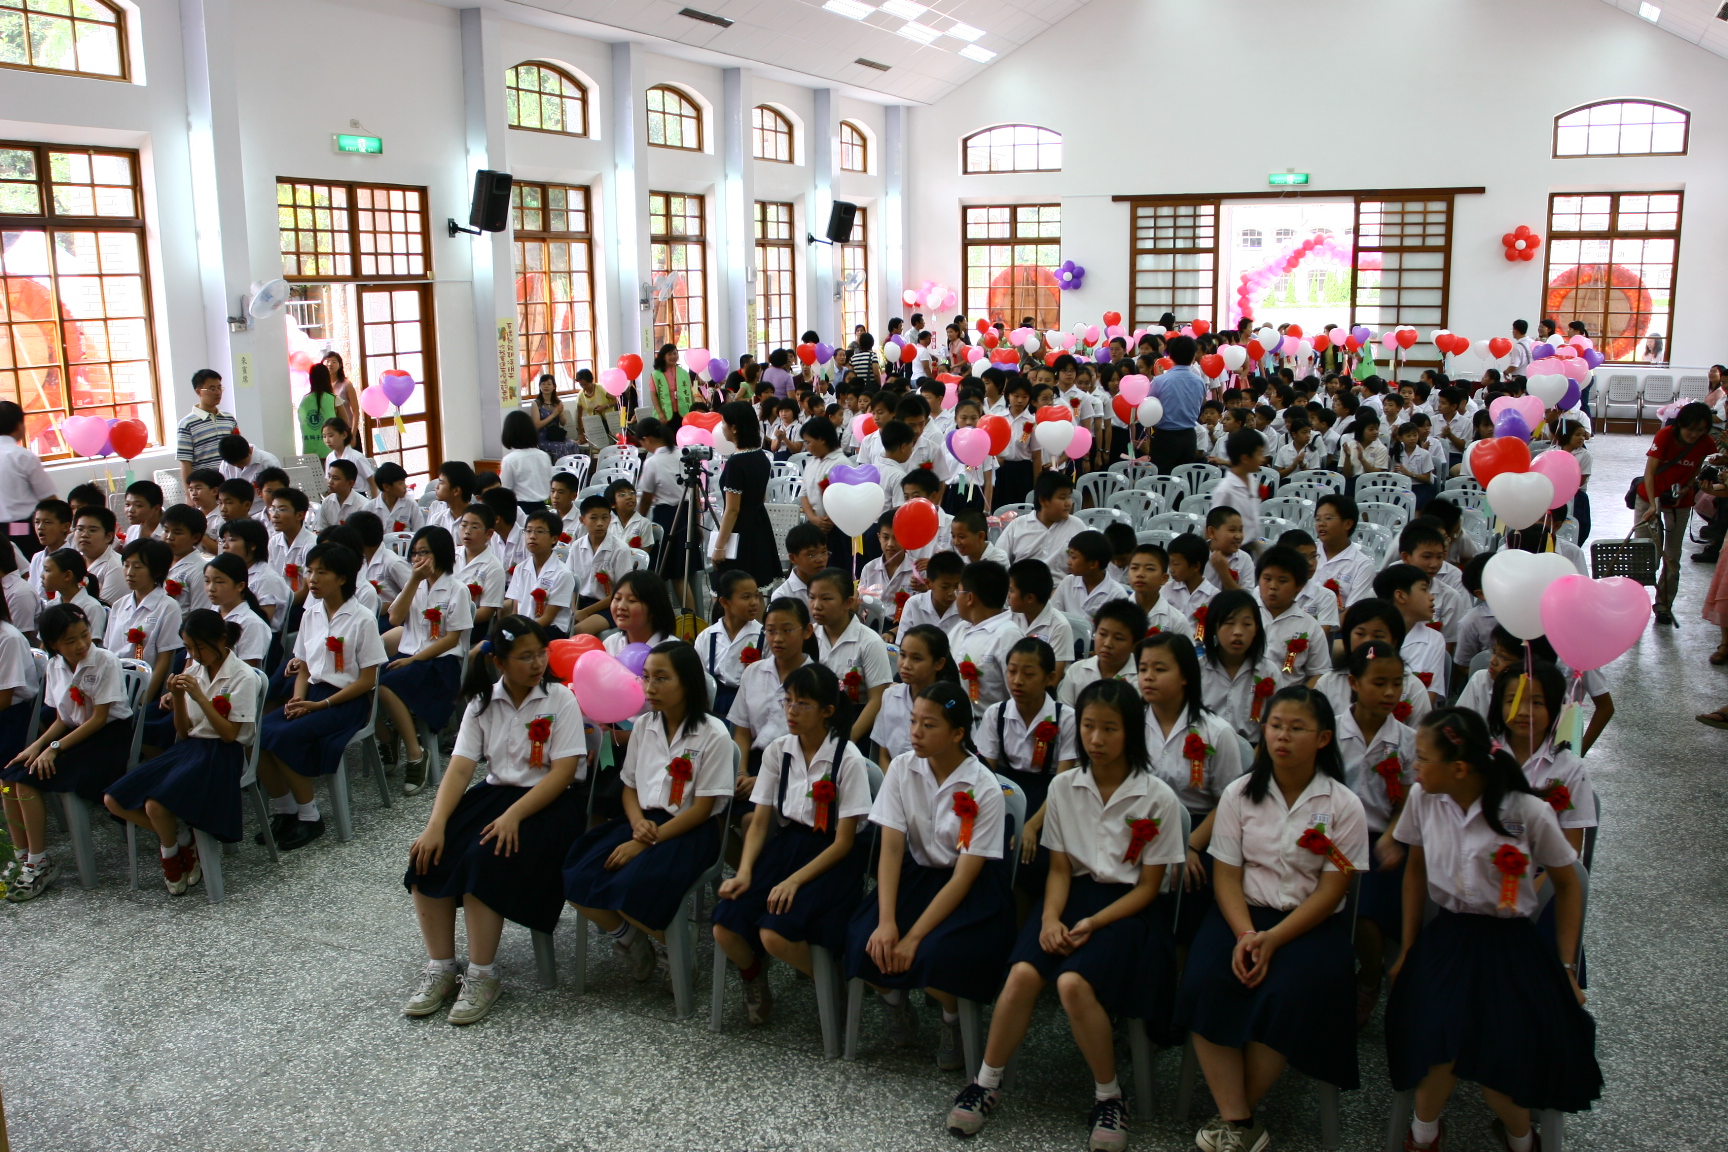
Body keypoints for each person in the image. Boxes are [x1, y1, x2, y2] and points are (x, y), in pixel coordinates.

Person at [946, 680, 1183, 1152]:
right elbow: (1058, 869)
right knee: (1022, 974)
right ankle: (986, 1082)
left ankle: (1109, 1097)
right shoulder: (1063, 786)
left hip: (1128, 910)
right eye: (1089, 726)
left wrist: (1094, 923)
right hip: (1070, 896)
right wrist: (1050, 918)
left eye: (1110, 728)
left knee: (1073, 983)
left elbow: (1149, 888)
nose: (1096, 738)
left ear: (1131, 733)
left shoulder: (1157, 797)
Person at [1385, 708, 1602, 1152]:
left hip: (1510, 944)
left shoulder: (1527, 811)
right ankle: (1424, 1134)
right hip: (1448, 939)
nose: (1414, 768)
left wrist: (1566, 967)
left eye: (1423, 758)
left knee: (1502, 1048)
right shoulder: (1423, 799)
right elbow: (1415, 874)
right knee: (1439, 1040)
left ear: (1459, 768)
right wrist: (1407, 948)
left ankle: (1521, 1139)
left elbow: (1568, 884)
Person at [1173, 686, 1368, 1152]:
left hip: (1309, 922)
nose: (1282, 736)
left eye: (1297, 728)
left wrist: (1273, 939)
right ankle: (1239, 1119)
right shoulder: (1239, 794)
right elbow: (1226, 875)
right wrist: (1246, 933)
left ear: (1323, 738)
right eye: (1276, 726)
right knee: (1205, 980)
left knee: (1289, 994)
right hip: (1240, 913)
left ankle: (1234, 1118)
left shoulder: (1344, 805)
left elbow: (1332, 889)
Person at [403, 615, 586, 1025]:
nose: (538, 663)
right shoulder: (482, 702)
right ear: (499, 662)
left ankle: (483, 974)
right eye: (525, 656)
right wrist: (435, 825)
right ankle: (441, 968)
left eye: (541, 653)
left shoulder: (560, 699)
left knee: (483, 858)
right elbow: (460, 768)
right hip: (497, 795)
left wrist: (513, 816)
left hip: (551, 803)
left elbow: (562, 773)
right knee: (428, 855)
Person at [845, 683, 1014, 1071]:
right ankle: (895, 1004)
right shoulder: (902, 768)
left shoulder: (984, 786)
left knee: (938, 954)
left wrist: (913, 937)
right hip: (918, 874)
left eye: (929, 725)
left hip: (970, 888)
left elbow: (965, 877)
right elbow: (891, 849)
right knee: (863, 939)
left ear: (957, 733)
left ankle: (952, 1021)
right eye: (913, 722)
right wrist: (887, 922)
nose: (915, 733)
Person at [563, 641, 734, 987]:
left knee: (632, 882)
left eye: (661, 678)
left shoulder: (713, 733)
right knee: (577, 872)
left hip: (690, 829)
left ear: (687, 682)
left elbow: (702, 809)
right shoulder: (644, 726)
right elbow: (629, 787)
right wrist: (637, 823)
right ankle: (631, 937)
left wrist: (645, 842)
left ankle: (675, 939)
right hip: (643, 821)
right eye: (645, 677)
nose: (650, 687)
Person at [712, 663, 873, 1025]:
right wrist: (745, 871)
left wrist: (794, 881)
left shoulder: (847, 758)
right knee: (725, 923)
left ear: (827, 711)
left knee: (775, 933)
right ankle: (754, 975)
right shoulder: (778, 751)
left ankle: (828, 984)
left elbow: (845, 841)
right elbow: (760, 821)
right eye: (787, 701)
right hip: (787, 848)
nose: (791, 711)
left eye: (803, 704)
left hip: (832, 858)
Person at [103, 610, 256, 895]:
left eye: (200, 647)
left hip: (222, 753)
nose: (194, 655)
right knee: (113, 799)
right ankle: (181, 838)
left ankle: (170, 853)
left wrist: (198, 696)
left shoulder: (243, 676)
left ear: (222, 640)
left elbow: (229, 735)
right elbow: (183, 732)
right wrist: (177, 697)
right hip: (189, 747)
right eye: (188, 648)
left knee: (155, 805)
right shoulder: (194, 671)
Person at [255, 543, 387, 850]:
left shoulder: (362, 618)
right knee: (256, 733)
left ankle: (310, 816)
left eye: (321, 572)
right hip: (313, 692)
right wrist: (297, 699)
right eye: (309, 571)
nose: (312, 579)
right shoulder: (311, 613)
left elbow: (368, 680)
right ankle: (285, 809)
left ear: (342, 578)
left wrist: (320, 704)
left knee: (283, 737)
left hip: (346, 700)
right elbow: (303, 666)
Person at [1, 603, 132, 900]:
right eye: (70, 641)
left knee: (28, 780)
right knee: (9, 775)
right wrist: (36, 746)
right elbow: (62, 718)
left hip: (107, 739)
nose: (81, 645)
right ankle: (21, 856)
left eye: (84, 635)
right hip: (74, 735)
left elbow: (99, 719)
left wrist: (54, 748)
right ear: (53, 645)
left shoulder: (105, 660)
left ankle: (39, 862)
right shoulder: (55, 665)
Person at [1332, 640, 1415, 1025]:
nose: (1389, 693)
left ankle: (1368, 977)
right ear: (1354, 682)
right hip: (1332, 839)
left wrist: (1392, 836)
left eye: (1397, 683)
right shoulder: (1332, 731)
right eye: (1379, 683)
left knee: (1365, 911)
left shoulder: (1407, 741)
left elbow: (1408, 802)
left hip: (1382, 840)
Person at [379, 526, 475, 795]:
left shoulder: (457, 589)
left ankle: (415, 754)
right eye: (415, 554)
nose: (418, 559)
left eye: (425, 553)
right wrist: (412, 581)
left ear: (440, 554)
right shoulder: (415, 586)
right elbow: (395, 619)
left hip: (440, 663)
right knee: (366, 681)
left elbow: (452, 639)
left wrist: (414, 660)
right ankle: (388, 736)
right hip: (410, 657)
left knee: (386, 686)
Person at [1635, 401, 1716, 625]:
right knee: (1643, 552)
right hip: (1649, 497)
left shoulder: (1706, 442)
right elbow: (1650, 472)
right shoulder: (1665, 436)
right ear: (1680, 424)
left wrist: (1688, 487)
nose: (1695, 434)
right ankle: (1635, 603)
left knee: (1672, 556)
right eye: (1691, 429)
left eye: (1701, 430)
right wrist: (1653, 505)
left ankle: (1664, 605)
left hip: (1679, 501)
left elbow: (1697, 467)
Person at [728, 596, 815, 785]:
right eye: (770, 631)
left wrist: (764, 781)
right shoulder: (753, 672)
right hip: (752, 762)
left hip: (795, 771)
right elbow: (742, 731)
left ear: (807, 631)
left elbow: (815, 746)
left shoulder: (818, 680)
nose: (777, 639)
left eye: (787, 630)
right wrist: (741, 772)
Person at [808, 568, 892, 744]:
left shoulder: (870, 642)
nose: (816, 605)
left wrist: (848, 739)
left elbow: (877, 700)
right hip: (813, 719)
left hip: (855, 722)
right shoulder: (808, 636)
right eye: (812, 597)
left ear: (848, 602)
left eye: (826, 598)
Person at [1198, 589, 1281, 747]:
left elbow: (1277, 722)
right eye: (1229, 623)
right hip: (1206, 750)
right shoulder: (1197, 669)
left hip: (1256, 749)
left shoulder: (1269, 672)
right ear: (1214, 626)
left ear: (1256, 629)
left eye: (1247, 624)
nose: (1238, 632)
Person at [710, 401, 779, 586]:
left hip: (740, 530)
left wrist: (719, 546)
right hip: (760, 525)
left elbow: (733, 510)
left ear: (734, 428)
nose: (721, 427)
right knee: (756, 585)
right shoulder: (761, 456)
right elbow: (761, 496)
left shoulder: (736, 463)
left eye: (723, 422)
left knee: (734, 586)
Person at [0, 401, 56, 557]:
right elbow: (49, 499)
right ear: (19, 426)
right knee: (32, 566)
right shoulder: (23, 457)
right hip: (20, 529)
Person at [1147, 334, 1206, 473]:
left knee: (1163, 479)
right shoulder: (1199, 382)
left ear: (1170, 356)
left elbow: (1149, 408)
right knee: (1185, 478)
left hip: (1164, 437)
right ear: (1193, 356)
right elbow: (1201, 404)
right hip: (1189, 437)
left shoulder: (1160, 381)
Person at [177, 369, 239, 482]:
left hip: (230, 483)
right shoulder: (187, 424)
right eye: (212, 389)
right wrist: (189, 490)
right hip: (205, 485)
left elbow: (238, 451)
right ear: (199, 392)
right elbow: (185, 462)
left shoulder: (229, 419)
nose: (218, 392)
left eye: (219, 388)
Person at [499, 409, 553, 510]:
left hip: (521, 509)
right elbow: (549, 482)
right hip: (542, 508)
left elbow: (505, 491)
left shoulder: (510, 460)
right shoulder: (544, 456)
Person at [527, 375, 577, 461]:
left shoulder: (557, 402)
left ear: (554, 387)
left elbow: (563, 423)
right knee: (561, 447)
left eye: (549, 384)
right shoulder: (536, 404)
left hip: (555, 437)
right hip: (543, 439)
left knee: (573, 444)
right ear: (540, 386)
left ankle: (572, 468)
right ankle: (560, 468)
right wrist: (553, 414)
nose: (546, 386)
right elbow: (537, 425)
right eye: (543, 384)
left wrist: (561, 413)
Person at [299, 364, 341, 458]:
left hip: (309, 452)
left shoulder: (304, 401)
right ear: (327, 378)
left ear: (311, 379)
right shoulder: (333, 399)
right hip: (330, 452)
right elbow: (344, 423)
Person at [648, 343, 697, 422]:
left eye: (675, 353)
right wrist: (660, 413)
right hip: (665, 414)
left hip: (684, 412)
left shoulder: (684, 373)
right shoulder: (656, 375)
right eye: (669, 354)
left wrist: (693, 410)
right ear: (663, 357)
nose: (673, 356)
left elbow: (690, 393)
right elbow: (653, 395)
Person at [322, 351, 361, 432]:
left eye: (334, 362)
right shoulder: (321, 386)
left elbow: (356, 411)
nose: (330, 364)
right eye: (327, 361)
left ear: (340, 365)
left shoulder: (346, 384)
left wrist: (353, 433)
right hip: (329, 431)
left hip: (347, 429)